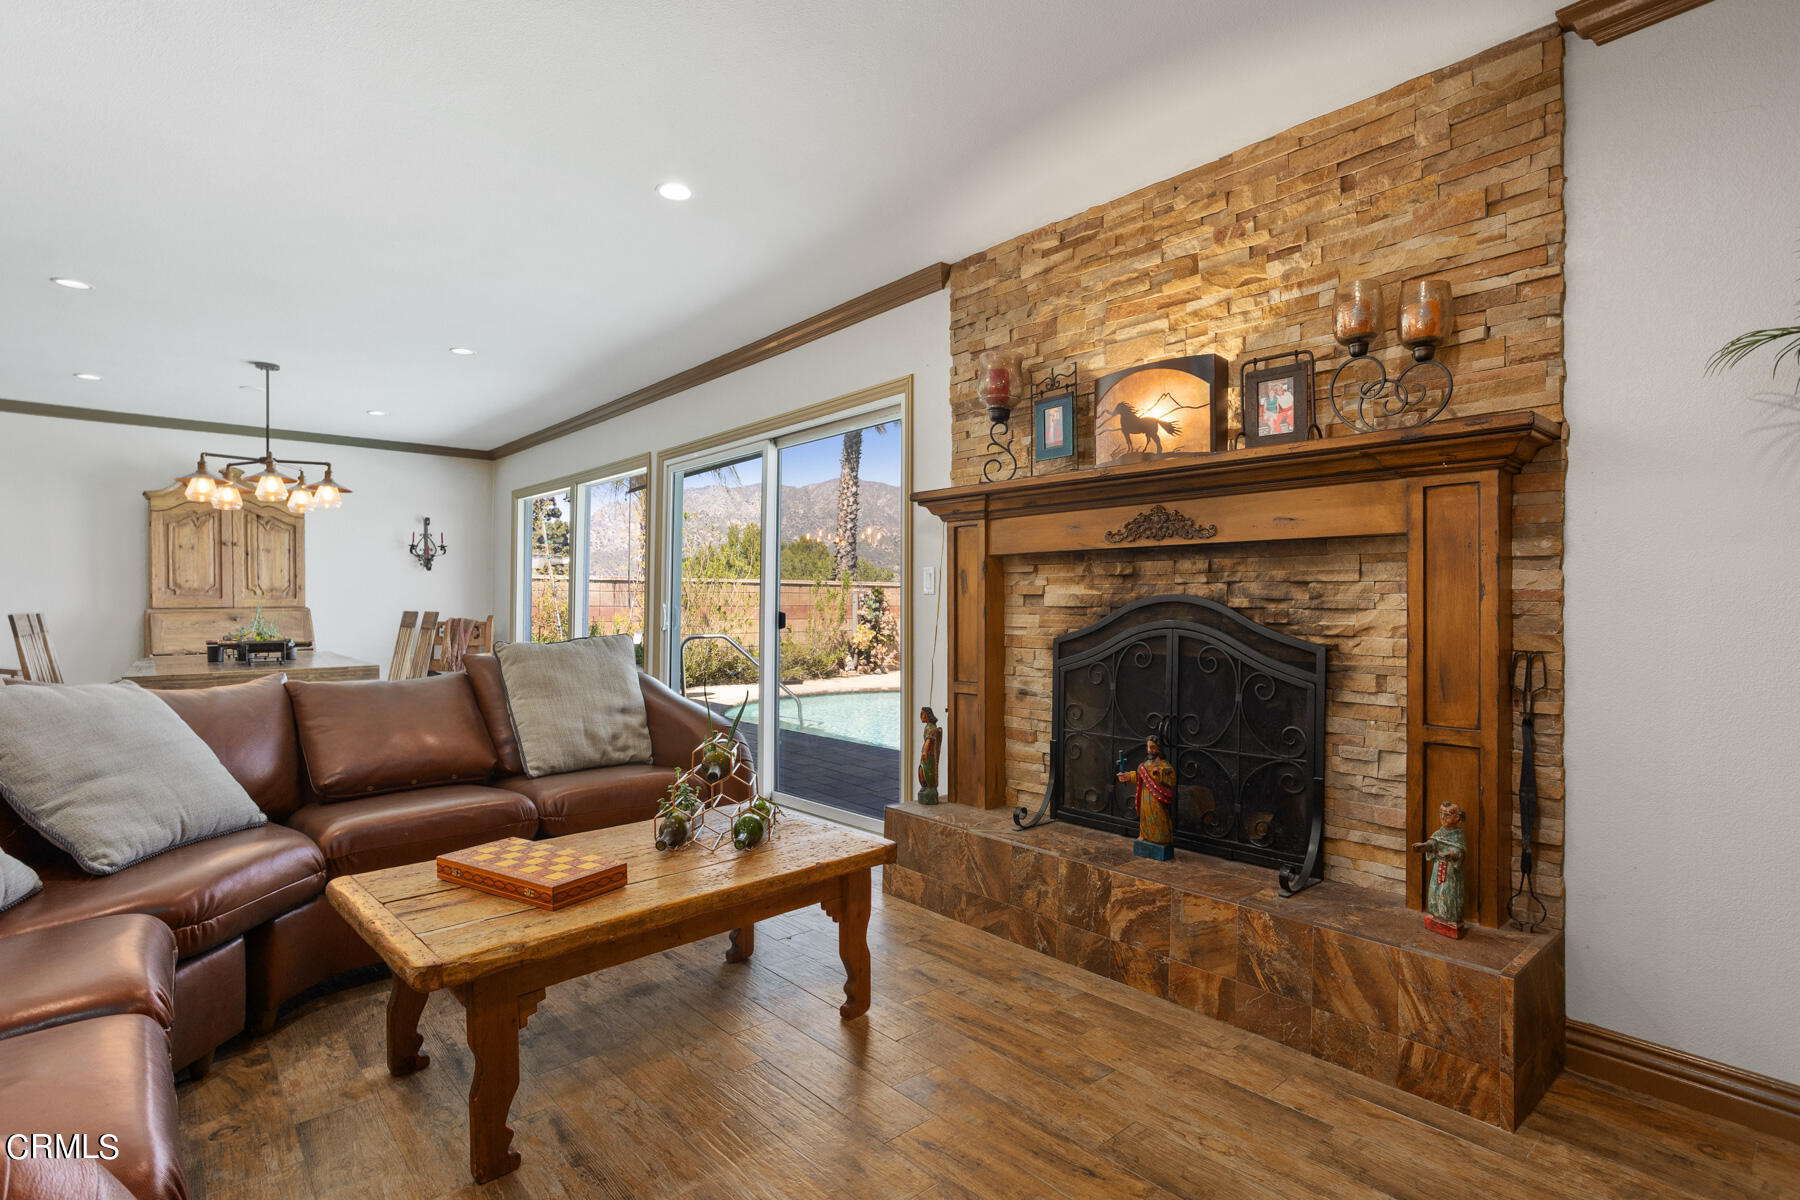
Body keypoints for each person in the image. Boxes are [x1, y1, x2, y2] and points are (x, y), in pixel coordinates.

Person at [1413, 800, 1468, 938]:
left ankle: (1451, 919)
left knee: (1449, 895)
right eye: (1441, 814)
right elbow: (1433, 843)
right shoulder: (1439, 833)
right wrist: (1423, 846)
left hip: (1451, 872)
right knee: (1435, 892)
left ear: (1457, 817)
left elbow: (1461, 851)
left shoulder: (1458, 835)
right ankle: (1436, 916)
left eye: (1447, 815)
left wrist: (1451, 855)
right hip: (1438, 868)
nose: (1443, 818)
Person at [1116, 734, 1176, 858]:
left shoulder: (1164, 765)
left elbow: (1172, 780)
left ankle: (1161, 839)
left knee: (1158, 816)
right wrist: (1128, 776)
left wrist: (1160, 773)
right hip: (1145, 796)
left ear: (1159, 749)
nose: (1149, 750)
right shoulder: (1146, 764)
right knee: (1145, 815)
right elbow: (1140, 776)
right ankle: (1145, 836)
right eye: (1148, 747)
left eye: (1152, 747)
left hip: (1156, 798)